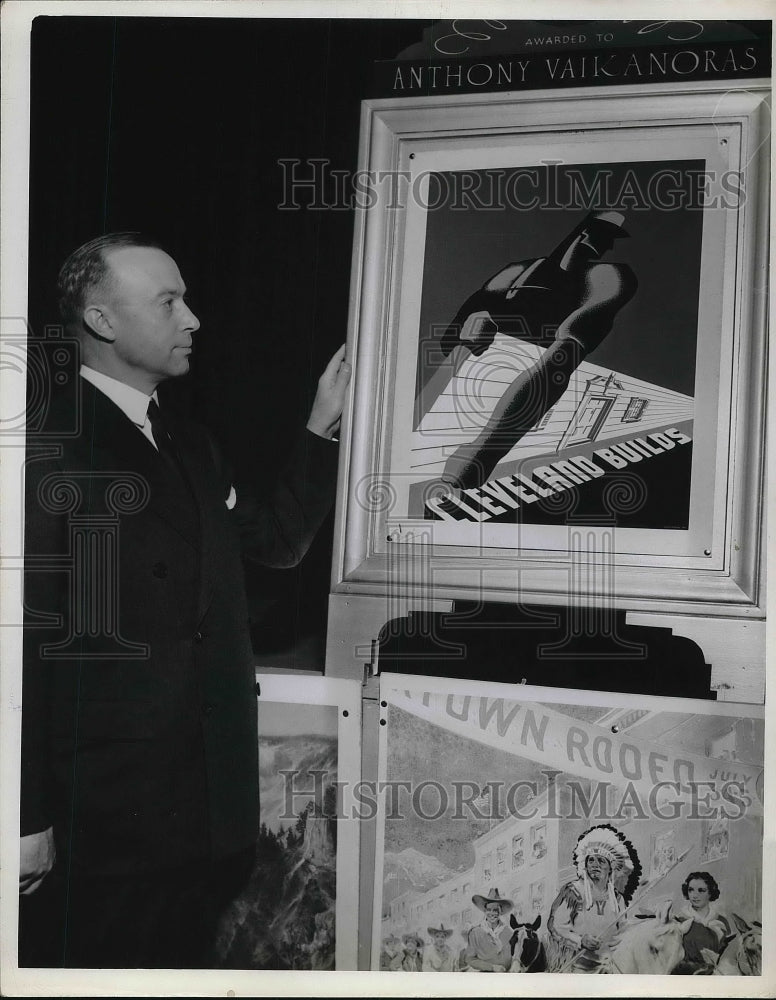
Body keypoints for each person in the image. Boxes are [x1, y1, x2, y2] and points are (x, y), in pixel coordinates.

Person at [19, 233, 351, 968]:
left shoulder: (189, 442)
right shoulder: (44, 447)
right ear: (103, 322)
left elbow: (276, 543)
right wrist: (22, 815)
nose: (193, 318)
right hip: (102, 826)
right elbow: (19, 651)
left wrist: (320, 425)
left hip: (203, 819)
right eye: (169, 301)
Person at [423, 211, 637, 492]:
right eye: (599, 233)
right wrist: (478, 316)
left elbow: (570, 347)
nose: (602, 244)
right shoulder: (518, 271)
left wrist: (486, 449)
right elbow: (452, 337)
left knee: (564, 352)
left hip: (539, 385)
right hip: (477, 378)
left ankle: (483, 452)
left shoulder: (607, 276)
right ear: (582, 230)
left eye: (609, 238)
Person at [546, 823, 641, 972]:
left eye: (601, 861)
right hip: (577, 967)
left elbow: (622, 932)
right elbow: (556, 927)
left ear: (610, 868)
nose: (594, 865)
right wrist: (580, 940)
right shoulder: (574, 891)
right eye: (591, 860)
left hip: (610, 968)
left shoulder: (617, 899)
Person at [671, 871, 731, 974]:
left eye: (701, 890)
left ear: (710, 892)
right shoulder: (679, 921)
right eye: (691, 890)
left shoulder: (721, 922)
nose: (694, 895)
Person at [464, 887, 514, 971]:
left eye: (495, 910)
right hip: (483, 976)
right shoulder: (475, 932)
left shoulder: (509, 932)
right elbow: (470, 959)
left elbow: (514, 956)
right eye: (489, 910)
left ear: (500, 911)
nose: (492, 913)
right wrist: (492, 967)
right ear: (484, 911)